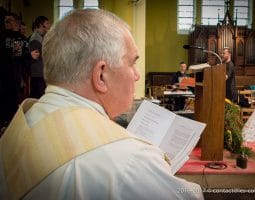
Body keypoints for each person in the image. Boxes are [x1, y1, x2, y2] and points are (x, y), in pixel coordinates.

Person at [0, 9, 203, 199]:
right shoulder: (130, 160)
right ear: (101, 75)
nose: (137, 75)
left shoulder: (23, 122)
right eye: (132, 62)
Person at [28, 16, 51, 98]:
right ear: (42, 25)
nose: (49, 25)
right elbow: (36, 57)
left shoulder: (40, 37)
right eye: (47, 23)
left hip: (40, 72)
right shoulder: (35, 38)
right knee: (37, 97)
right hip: (37, 73)